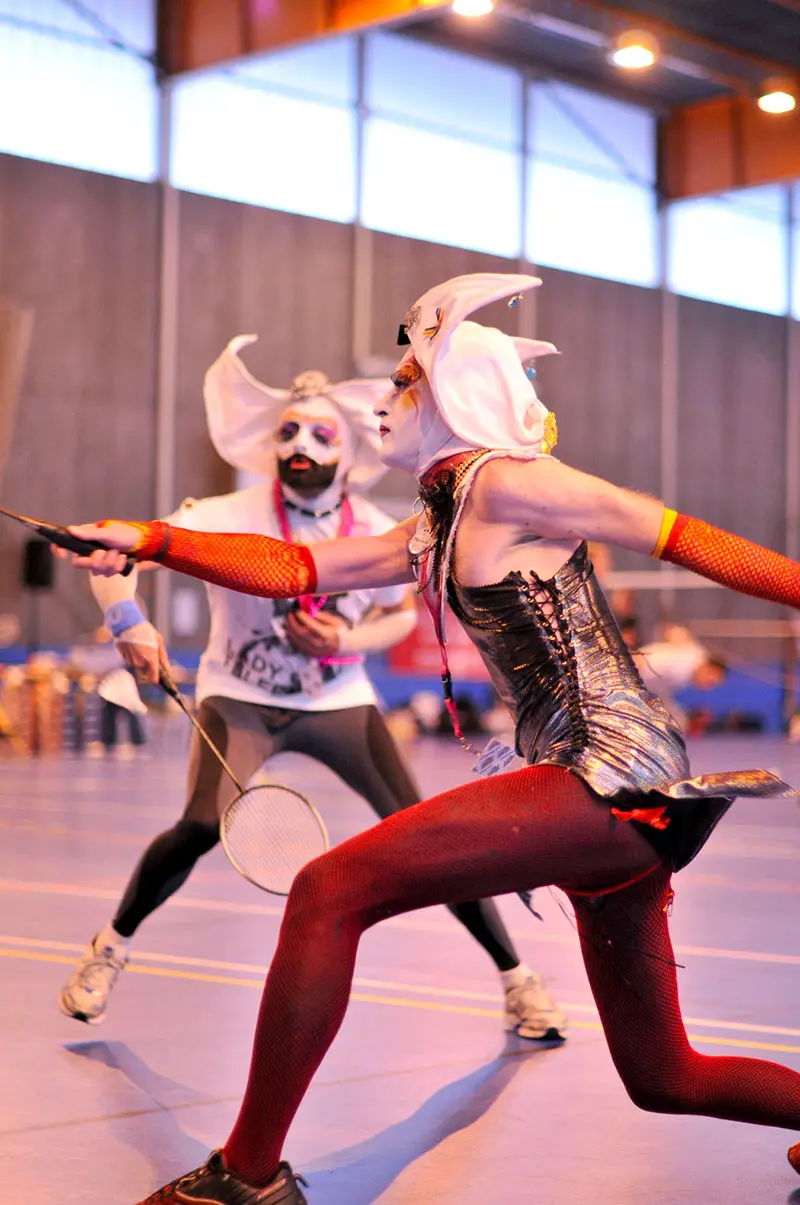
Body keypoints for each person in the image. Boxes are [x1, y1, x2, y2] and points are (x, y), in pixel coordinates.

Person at [67, 273, 800, 1205]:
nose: (388, 396)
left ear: (459, 391)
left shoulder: (517, 483)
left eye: (407, 378)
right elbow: (295, 566)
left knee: (330, 887)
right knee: (666, 1078)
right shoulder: (440, 516)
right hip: (606, 800)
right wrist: (149, 538)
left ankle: (246, 1177)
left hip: (610, 774)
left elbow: (689, 536)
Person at [59, 338, 565, 1042]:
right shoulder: (224, 511)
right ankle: (108, 949)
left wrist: (347, 642)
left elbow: (397, 617)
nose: (299, 443)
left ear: (348, 450)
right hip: (238, 695)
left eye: (318, 433)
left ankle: (517, 978)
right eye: (286, 431)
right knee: (202, 824)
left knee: (422, 829)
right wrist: (128, 622)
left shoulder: (374, 530)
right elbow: (119, 558)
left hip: (338, 702)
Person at [633, 623, 727, 730]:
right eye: (711, 681)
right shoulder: (692, 651)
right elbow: (674, 632)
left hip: (644, 689)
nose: (707, 687)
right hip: (635, 666)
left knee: (680, 722)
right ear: (710, 669)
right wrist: (673, 631)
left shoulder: (688, 680)